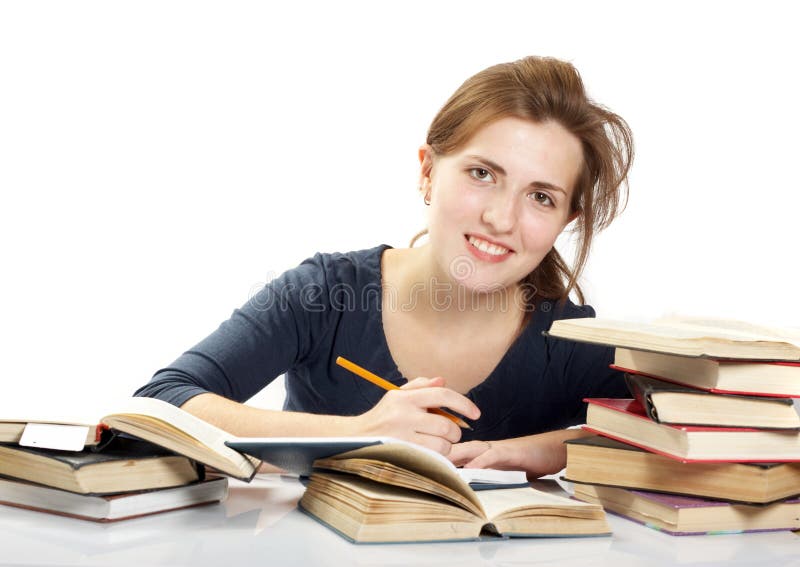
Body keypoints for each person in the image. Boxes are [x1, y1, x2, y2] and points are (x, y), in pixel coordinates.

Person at [135, 56, 633, 478]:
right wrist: (358, 433)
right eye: (482, 174)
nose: (501, 218)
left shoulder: (572, 342)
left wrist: (536, 452)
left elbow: (673, 432)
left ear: (566, 219)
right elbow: (161, 402)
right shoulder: (326, 293)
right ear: (427, 172)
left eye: (541, 197)